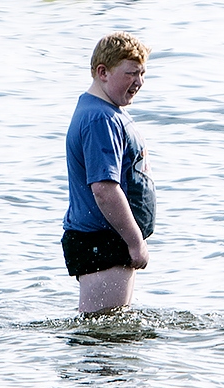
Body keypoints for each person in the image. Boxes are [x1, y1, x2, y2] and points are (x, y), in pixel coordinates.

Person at [61, 32, 156, 314]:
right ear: (102, 72)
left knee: (113, 332)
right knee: (105, 335)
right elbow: (104, 188)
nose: (139, 82)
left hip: (108, 239)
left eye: (142, 74)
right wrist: (135, 242)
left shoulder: (104, 111)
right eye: (131, 74)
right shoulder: (100, 118)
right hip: (102, 240)